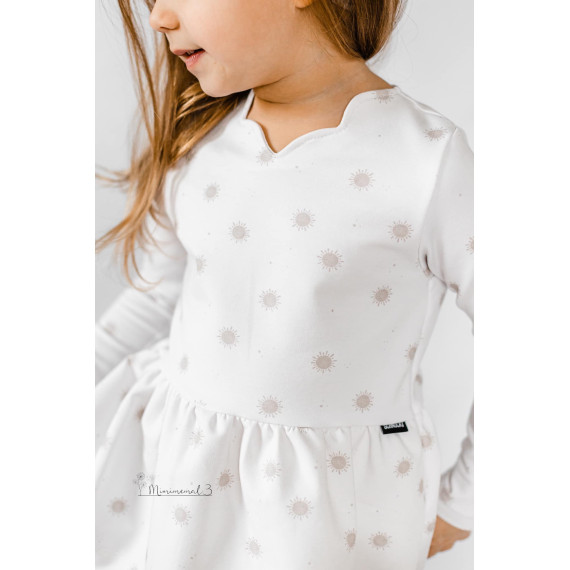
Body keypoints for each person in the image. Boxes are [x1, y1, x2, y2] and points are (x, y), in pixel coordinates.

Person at [95, 0, 474, 568]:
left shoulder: (425, 161)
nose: (158, 18)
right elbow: (154, 298)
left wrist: (463, 502)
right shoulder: (201, 136)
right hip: (179, 483)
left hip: (328, 517)